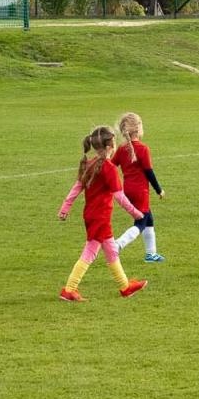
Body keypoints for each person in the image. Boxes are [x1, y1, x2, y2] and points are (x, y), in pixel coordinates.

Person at [56, 125, 148, 301]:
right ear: (109, 147)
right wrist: (137, 214)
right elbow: (119, 197)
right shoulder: (109, 168)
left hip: (91, 216)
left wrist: (65, 208)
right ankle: (69, 289)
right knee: (89, 252)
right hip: (101, 218)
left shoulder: (89, 164)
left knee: (112, 251)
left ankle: (125, 287)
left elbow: (77, 188)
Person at [112, 112, 167, 263]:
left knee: (149, 218)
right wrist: (159, 190)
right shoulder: (143, 149)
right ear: (139, 128)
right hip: (140, 191)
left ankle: (151, 254)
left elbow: (111, 166)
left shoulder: (122, 149)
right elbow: (149, 172)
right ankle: (118, 244)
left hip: (127, 190)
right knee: (141, 223)